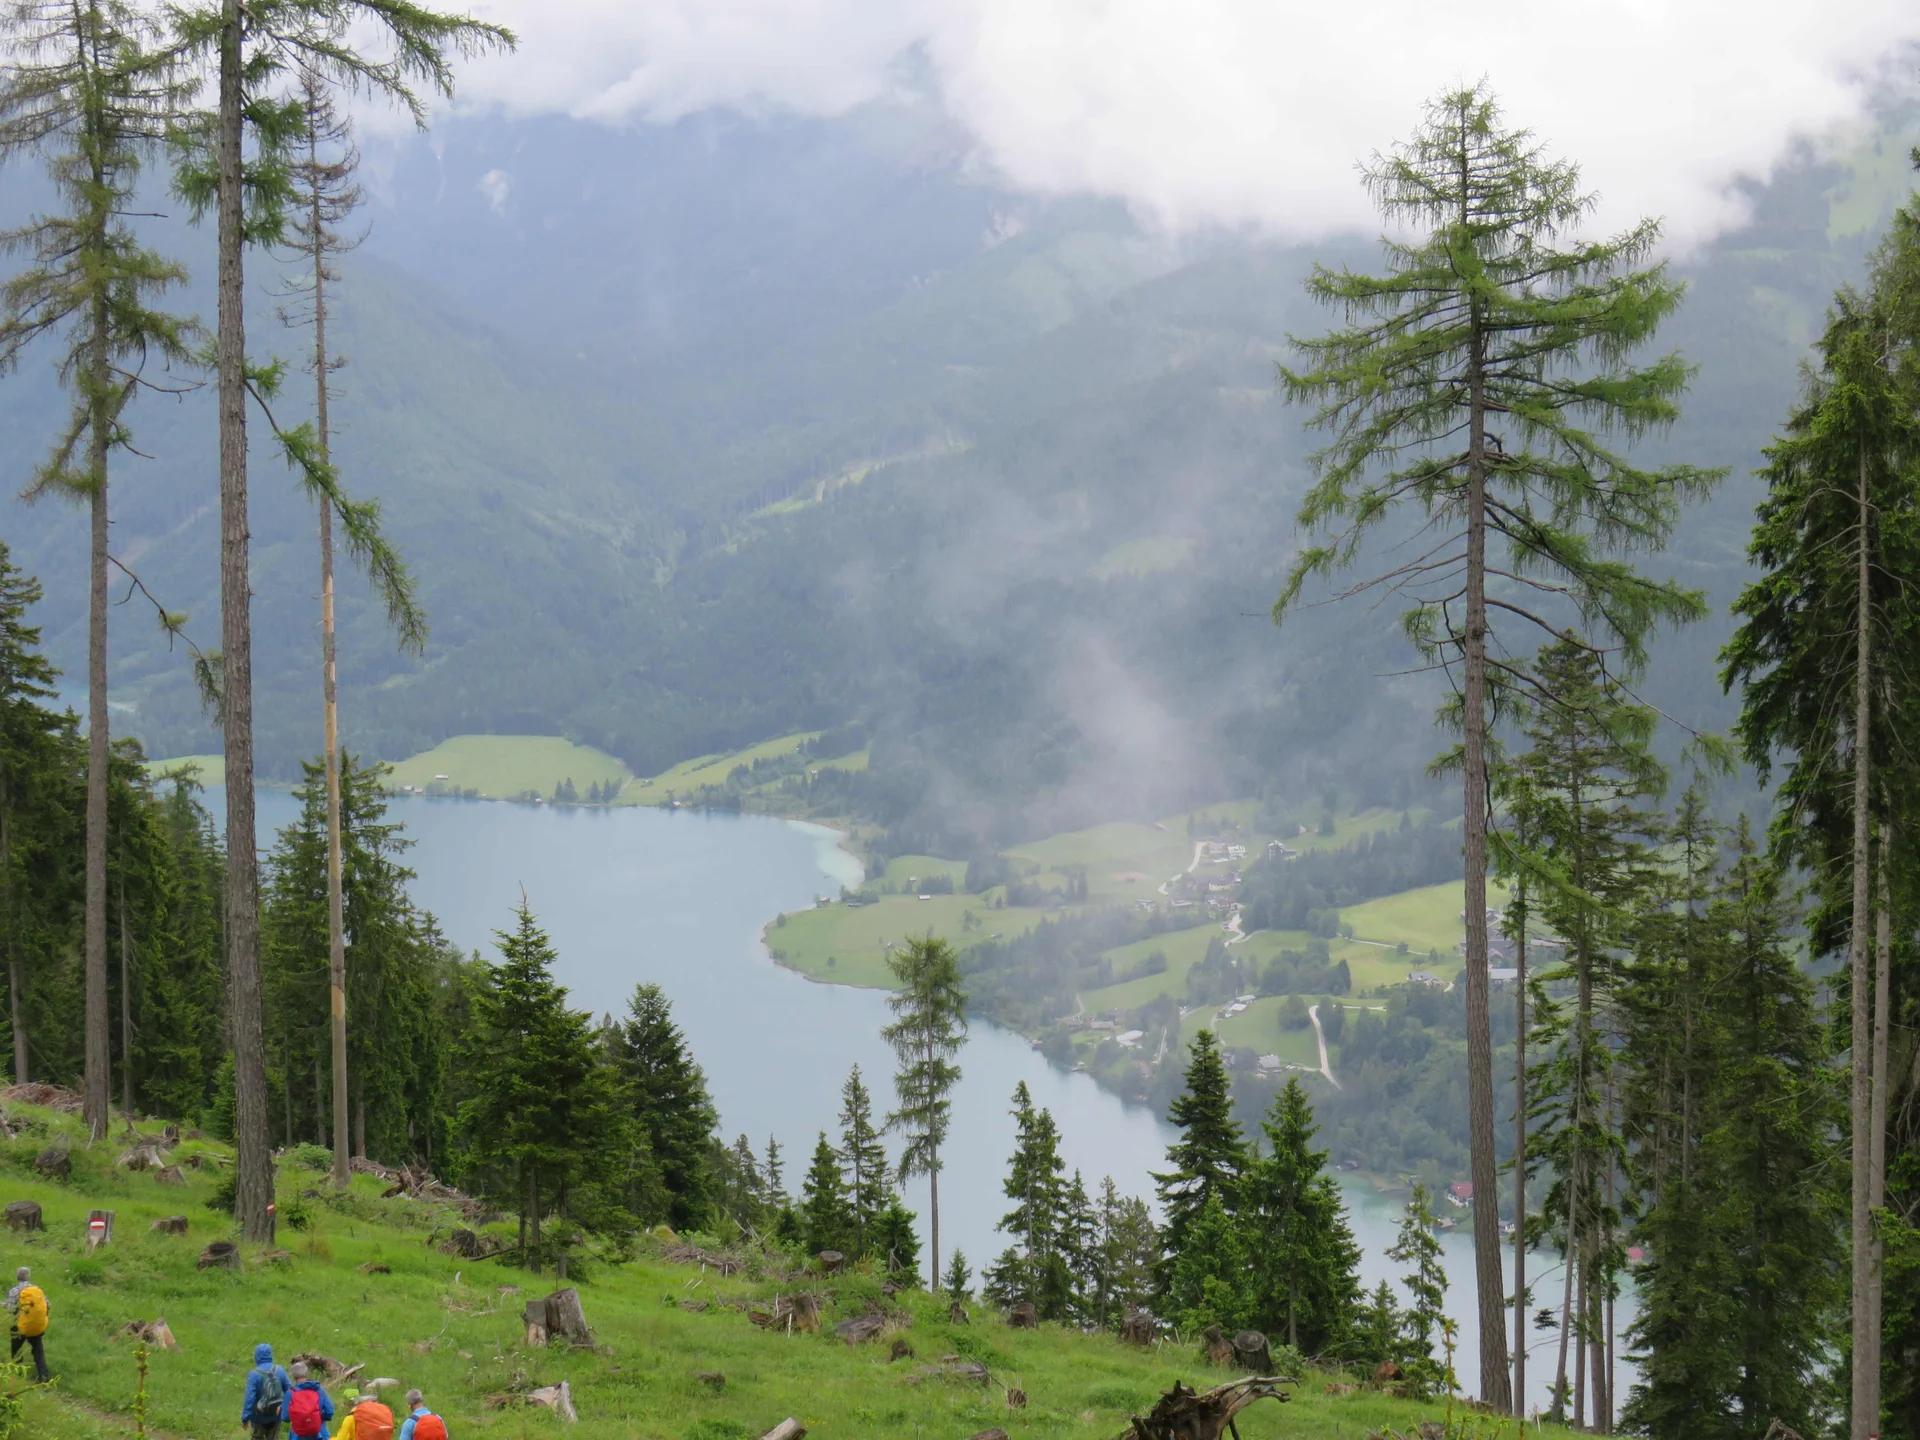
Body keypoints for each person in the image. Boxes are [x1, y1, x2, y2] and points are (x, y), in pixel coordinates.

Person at [6, 1267, 49, 1382]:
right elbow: (47, 1305)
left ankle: (18, 1373)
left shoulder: (14, 1291)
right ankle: (44, 1375)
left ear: (17, 1277)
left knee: (16, 1350)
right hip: (35, 1326)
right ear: (28, 1277)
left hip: (19, 1326)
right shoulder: (37, 1290)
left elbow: (10, 1310)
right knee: (38, 1351)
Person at [241, 1343, 292, 1438]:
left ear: (256, 1356)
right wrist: (284, 1407)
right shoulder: (280, 1370)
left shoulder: (254, 1374)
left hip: (258, 1417)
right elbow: (290, 1391)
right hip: (276, 1415)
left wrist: (245, 1417)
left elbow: (250, 1398)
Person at [283, 1360, 335, 1440]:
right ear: (307, 1374)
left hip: (297, 1435)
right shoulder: (319, 1390)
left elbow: (285, 1417)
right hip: (320, 1434)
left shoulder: (290, 1393)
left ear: (293, 1376)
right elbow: (330, 1411)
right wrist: (317, 1417)